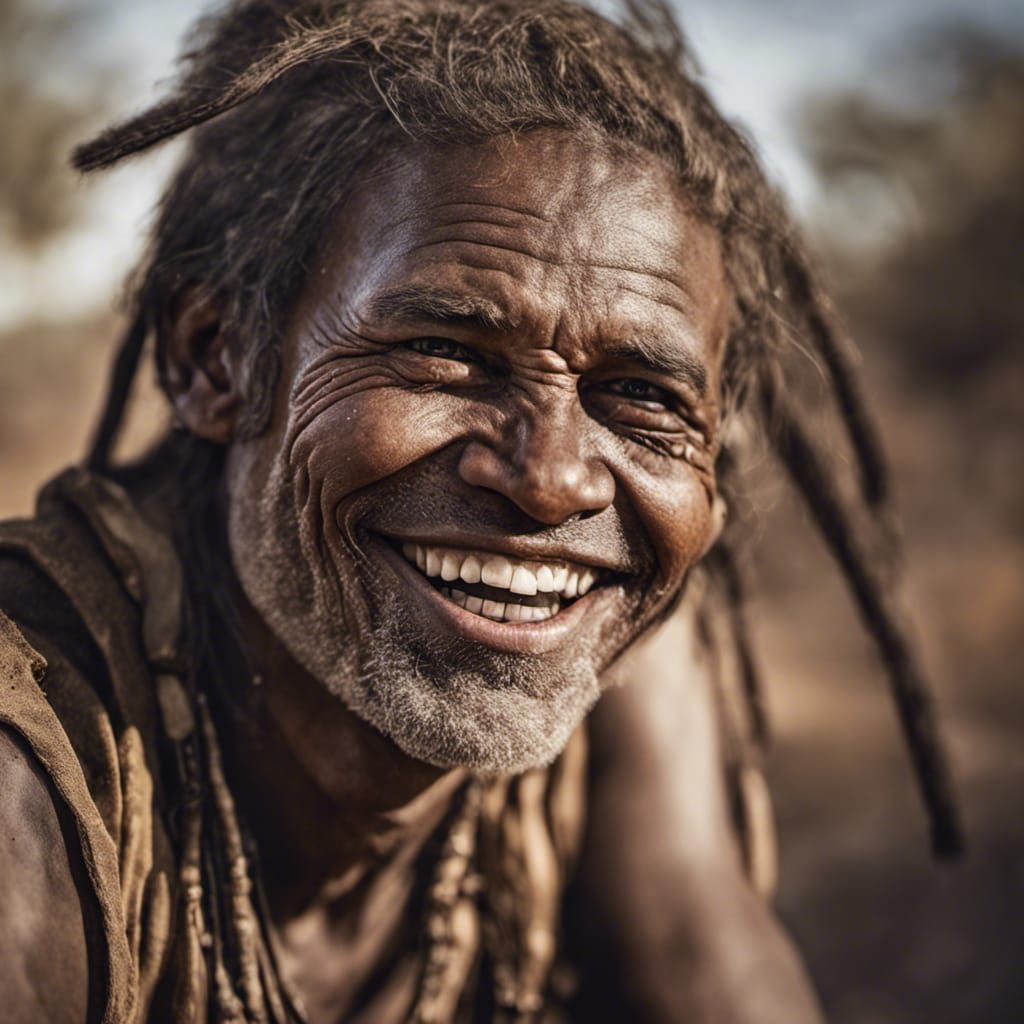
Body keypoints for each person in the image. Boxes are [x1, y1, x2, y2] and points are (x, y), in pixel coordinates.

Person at [0, 1, 961, 1021]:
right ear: (216, 361)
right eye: (447, 351)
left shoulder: (604, 666)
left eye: (639, 396)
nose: (551, 481)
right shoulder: (36, 764)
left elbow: (699, 954)